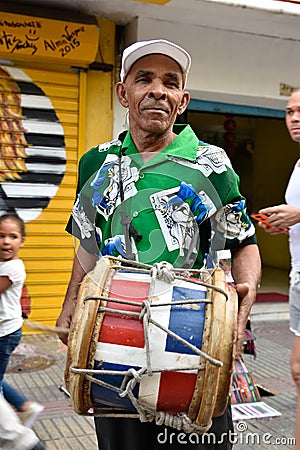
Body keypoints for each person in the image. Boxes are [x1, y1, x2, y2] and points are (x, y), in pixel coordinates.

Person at [56, 39, 261, 449]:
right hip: (113, 341)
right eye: (144, 79)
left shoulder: (211, 163)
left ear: (182, 100)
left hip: (192, 340)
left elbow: (244, 243)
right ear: (123, 92)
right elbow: (88, 243)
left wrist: (245, 298)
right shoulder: (98, 162)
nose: (157, 90)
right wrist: (70, 306)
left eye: (170, 82)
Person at [258, 88, 300, 450]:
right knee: (299, 373)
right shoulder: (299, 164)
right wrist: (283, 223)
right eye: (289, 112)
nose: (295, 118)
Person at [0, 213, 43, 429]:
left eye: (13, 236)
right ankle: (25, 407)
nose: (6, 241)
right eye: (1, 236)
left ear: (22, 241)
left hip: (5, 334)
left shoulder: (13, 268)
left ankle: (10, 429)